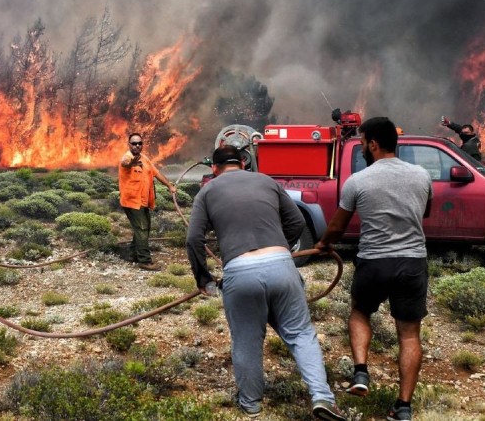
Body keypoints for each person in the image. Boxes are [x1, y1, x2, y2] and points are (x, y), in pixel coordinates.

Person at [186, 145, 346, 421]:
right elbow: (296, 221)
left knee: (247, 341)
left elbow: (193, 239)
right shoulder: (266, 181)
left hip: (239, 271)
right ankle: (322, 397)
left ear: (214, 168)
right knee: (300, 334)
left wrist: (205, 279)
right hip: (281, 265)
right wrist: (279, 248)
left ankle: (251, 406)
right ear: (244, 164)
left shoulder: (207, 191)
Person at [317, 117, 432, 421]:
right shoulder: (421, 176)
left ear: (374, 144)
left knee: (359, 313)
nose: (362, 147)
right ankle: (403, 407)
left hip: (374, 262)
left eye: (363, 142)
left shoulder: (358, 180)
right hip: (411, 263)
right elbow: (426, 211)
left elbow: (337, 227)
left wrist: (324, 244)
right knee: (409, 335)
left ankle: (360, 373)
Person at [118, 132, 177, 271]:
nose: (137, 146)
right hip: (132, 202)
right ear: (129, 144)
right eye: (134, 143)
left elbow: (157, 174)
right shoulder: (127, 157)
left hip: (143, 201)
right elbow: (125, 163)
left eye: (139, 143)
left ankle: (133, 254)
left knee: (143, 228)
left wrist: (169, 186)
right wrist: (131, 163)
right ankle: (144, 261)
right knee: (142, 228)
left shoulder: (145, 159)